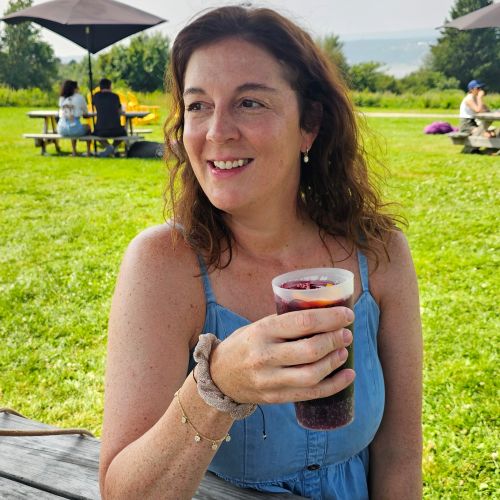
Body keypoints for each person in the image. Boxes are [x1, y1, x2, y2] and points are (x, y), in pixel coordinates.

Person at [99, 6, 422, 500]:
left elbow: (399, 459)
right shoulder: (162, 265)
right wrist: (217, 386)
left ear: (309, 124)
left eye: (249, 102)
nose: (216, 131)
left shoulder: (379, 254)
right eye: (198, 105)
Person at [92, 78, 127, 157]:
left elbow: (94, 105)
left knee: (94, 134)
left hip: (101, 130)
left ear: (100, 86)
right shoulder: (115, 96)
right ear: (110, 86)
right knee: (124, 133)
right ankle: (113, 147)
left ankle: (109, 147)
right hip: (116, 130)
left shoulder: (96, 96)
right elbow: (120, 110)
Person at [57, 80, 91, 156]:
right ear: (74, 88)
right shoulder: (79, 97)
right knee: (87, 127)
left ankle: (74, 151)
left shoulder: (62, 98)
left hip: (61, 129)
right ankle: (88, 152)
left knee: (73, 126)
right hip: (74, 127)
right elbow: (86, 112)